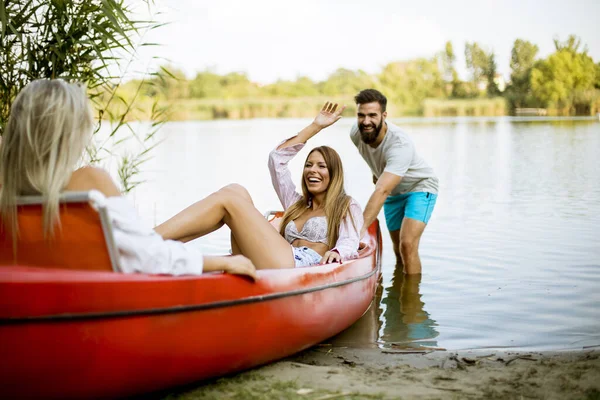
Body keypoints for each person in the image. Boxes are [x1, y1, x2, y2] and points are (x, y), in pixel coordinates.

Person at [350, 89, 438, 274]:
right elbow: (374, 161)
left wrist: (359, 230)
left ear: (384, 115)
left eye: (372, 115)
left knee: (407, 245)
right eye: (361, 115)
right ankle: (399, 293)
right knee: (398, 251)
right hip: (393, 192)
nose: (366, 121)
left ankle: (411, 300)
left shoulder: (400, 143)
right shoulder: (356, 134)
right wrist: (377, 173)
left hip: (419, 187)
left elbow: (381, 190)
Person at [267, 102, 363, 267]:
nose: (312, 170)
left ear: (334, 174)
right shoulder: (295, 204)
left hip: (307, 265)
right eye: (308, 165)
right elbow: (276, 160)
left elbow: (349, 240)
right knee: (235, 196)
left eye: (322, 166)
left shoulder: (345, 205)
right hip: (281, 259)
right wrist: (315, 127)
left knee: (233, 198)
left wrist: (337, 252)